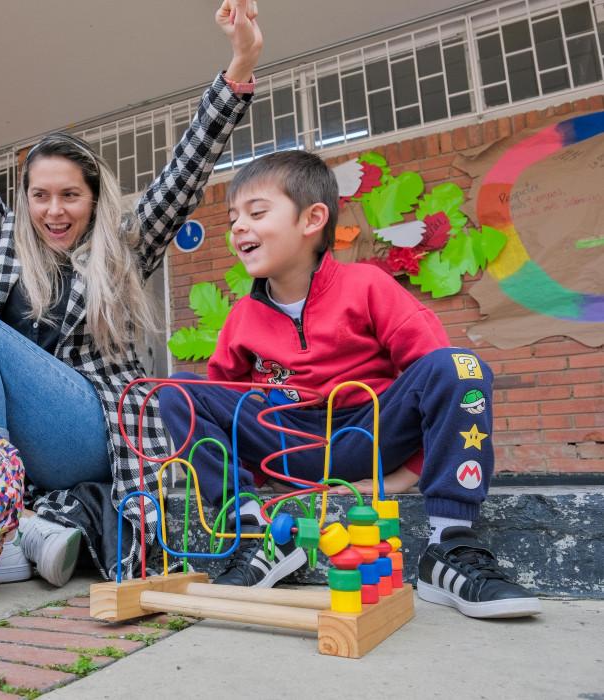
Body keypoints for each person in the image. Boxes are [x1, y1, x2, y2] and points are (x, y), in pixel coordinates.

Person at [0, 1, 263, 586]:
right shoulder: (10, 241)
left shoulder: (123, 246)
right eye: (39, 196)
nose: (53, 211)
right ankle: (9, 517)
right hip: (19, 439)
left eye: (69, 196)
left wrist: (241, 62)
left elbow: (187, 169)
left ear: (93, 198)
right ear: (25, 200)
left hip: (91, 427)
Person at [159, 150, 541, 618]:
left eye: (256, 213)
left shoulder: (368, 285)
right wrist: (262, 481)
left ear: (313, 219)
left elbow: (437, 376)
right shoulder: (242, 317)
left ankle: (450, 546)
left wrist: (403, 476)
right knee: (177, 390)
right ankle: (254, 534)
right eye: (234, 216)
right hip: (287, 441)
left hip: (367, 434)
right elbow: (225, 405)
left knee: (459, 365)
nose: (238, 226)